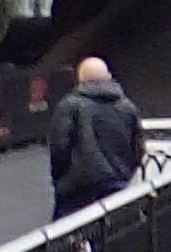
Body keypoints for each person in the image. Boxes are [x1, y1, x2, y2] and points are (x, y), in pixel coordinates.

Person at [46, 56, 145, 216]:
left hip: (77, 190)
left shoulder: (69, 106)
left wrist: (60, 179)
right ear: (109, 76)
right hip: (117, 185)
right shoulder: (128, 107)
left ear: (79, 79)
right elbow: (138, 148)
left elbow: (59, 147)